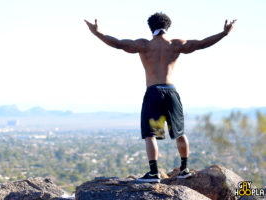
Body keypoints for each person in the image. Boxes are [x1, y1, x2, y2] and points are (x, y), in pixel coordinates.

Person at [84, 12, 236, 183]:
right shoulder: (175, 45)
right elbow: (201, 44)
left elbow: (119, 44)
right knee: (180, 132)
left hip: (154, 92)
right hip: (171, 92)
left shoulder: (144, 45)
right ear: (168, 26)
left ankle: (154, 172)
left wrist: (97, 33)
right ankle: (184, 169)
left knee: (150, 134)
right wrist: (224, 33)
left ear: (150, 27)